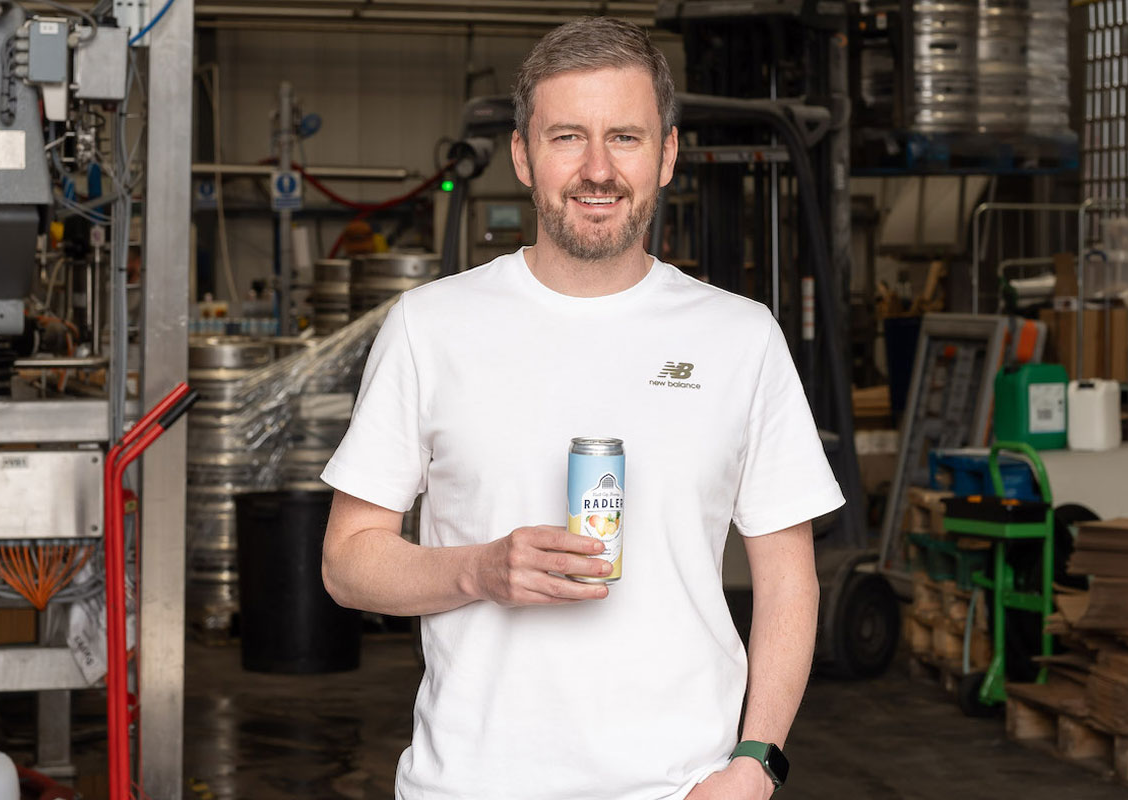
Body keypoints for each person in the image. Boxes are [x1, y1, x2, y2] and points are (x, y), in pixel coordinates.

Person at [320, 16, 844, 800]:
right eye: (568, 137)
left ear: (666, 154)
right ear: (524, 157)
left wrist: (757, 759)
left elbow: (789, 579)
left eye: (625, 137)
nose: (597, 169)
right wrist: (479, 569)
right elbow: (346, 561)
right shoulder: (431, 327)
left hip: (681, 788)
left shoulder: (741, 339)